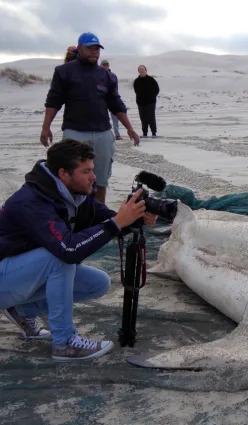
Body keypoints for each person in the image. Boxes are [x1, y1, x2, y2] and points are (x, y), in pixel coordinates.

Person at [0, 140, 156, 361]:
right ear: (63, 174)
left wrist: (135, 217)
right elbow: (69, 250)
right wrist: (116, 223)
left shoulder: (74, 195)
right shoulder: (32, 202)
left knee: (98, 283)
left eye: (92, 169)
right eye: (86, 171)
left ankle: (24, 311)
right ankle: (64, 344)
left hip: (15, 274)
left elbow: (109, 220)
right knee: (58, 257)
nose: (94, 176)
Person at [41, 32, 140, 204]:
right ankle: (74, 217)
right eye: (90, 48)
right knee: (73, 180)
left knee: (100, 180)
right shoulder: (64, 72)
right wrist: (45, 127)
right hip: (75, 133)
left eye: (97, 48)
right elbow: (54, 100)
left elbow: (116, 104)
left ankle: (98, 215)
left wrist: (130, 128)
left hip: (103, 134)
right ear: (79, 49)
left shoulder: (107, 76)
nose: (94, 52)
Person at [133, 65, 160, 138]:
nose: (142, 70)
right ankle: (145, 133)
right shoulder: (136, 81)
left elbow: (157, 89)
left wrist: (152, 97)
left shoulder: (151, 79)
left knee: (151, 117)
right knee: (143, 118)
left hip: (151, 102)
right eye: (140, 69)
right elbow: (136, 91)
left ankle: (154, 133)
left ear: (146, 70)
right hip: (141, 103)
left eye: (143, 69)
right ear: (138, 71)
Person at [100, 59, 122, 140]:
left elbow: (115, 87)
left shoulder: (113, 75)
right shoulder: (97, 74)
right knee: (103, 117)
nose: (105, 66)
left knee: (115, 117)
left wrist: (116, 98)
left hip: (112, 98)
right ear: (100, 65)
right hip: (101, 99)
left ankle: (117, 134)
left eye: (106, 65)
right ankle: (104, 134)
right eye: (103, 65)